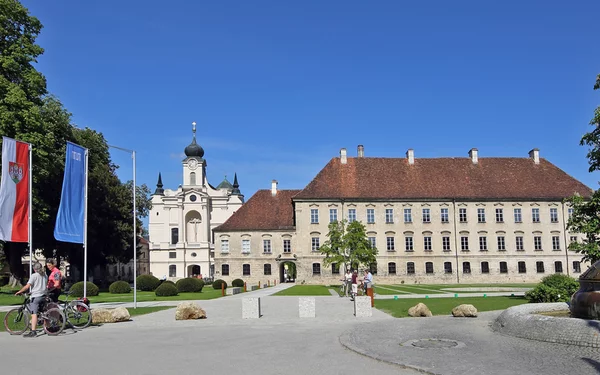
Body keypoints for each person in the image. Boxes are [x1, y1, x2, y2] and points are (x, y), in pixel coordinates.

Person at [15, 262, 48, 338]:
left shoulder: (34, 276)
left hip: (36, 297)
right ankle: (46, 326)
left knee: (34, 314)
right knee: (42, 312)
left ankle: (33, 332)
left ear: (34, 269)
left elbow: (27, 286)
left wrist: (19, 291)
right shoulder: (45, 275)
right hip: (43, 295)